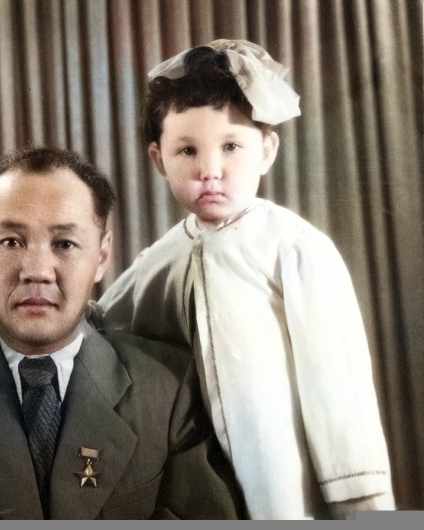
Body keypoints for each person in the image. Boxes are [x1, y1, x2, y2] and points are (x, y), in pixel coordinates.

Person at [97, 39, 395, 519]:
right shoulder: (160, 259)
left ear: (266, 150)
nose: (209, 171)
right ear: (158, 159)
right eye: (187, 150)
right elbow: (101, 324)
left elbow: (339, 384)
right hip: (200, 479)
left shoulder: (293, 246)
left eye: (231, 147)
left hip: (288, 470)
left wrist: (363, 502)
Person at [0, 145, 244, 520]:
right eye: (11, 242)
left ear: (101, 255)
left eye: (65, 244)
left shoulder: (167, 391)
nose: (36, 271)